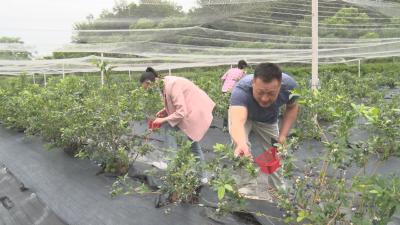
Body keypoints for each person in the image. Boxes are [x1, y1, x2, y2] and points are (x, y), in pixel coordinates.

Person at [228, 62, 299, 192]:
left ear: (280, 86)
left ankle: (276, 188)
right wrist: (241, 143)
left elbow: (292, 107)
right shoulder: (241, 91)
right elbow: (237, 122)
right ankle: (246, 186)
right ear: (253, 83)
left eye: (271, 93)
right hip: (245, 117)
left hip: (268, 119)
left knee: (275, 150)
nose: (265, 98)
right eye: (260, 92)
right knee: (241, 147)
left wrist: (283, 135)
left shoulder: (290, 87)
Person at [139, 67, 215, 182]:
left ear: (149, 82)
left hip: (195, 112)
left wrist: (162, 120)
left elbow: (181, 111)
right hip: (190, 110)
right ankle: (178, 167)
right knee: (178, 134)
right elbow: (174, 102)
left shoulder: (172, 85)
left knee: (191, 142)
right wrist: (164, 110)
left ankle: (178, 169)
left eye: (148, 88)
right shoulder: (164, 83)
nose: (149, 90)